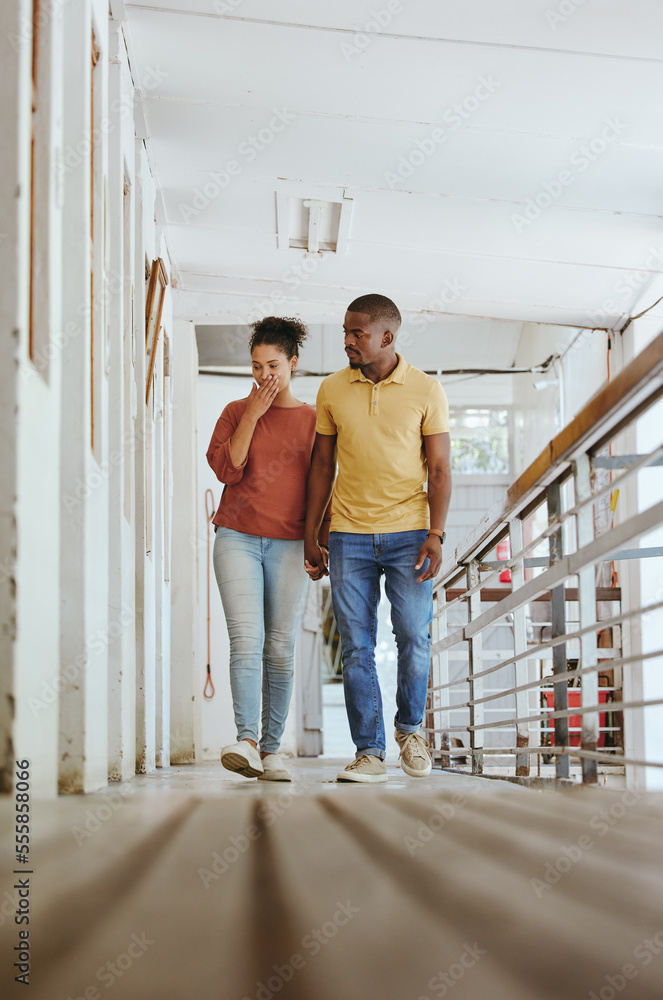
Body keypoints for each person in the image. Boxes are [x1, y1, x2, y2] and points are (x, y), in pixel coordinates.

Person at [304, 294, 451, 783]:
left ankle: (410, 730)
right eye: (345, 332)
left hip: (410, 533)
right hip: (348, 535)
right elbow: (322, 465)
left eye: (357, 334)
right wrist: (312, 532)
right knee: (355, 644)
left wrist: (436, 533)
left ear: (387, 337)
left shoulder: (426, 390)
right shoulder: (331, 390)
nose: (347, 341)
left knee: (412, 634)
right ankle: (369, 751)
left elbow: (439, 467)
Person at [207, 317, 329, 782]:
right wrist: (254, 415)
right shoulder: (237, 411)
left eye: (273, 365)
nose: (263, 376)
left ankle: (274, 750)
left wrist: (319, 541)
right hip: (236, 536)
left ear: (293, 363)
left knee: (279, 647)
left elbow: (324, 485)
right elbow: (228, 469)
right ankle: (248, 741)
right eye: (256, 366)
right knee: (247, 639)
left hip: (289, 543)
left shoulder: (315, 420)